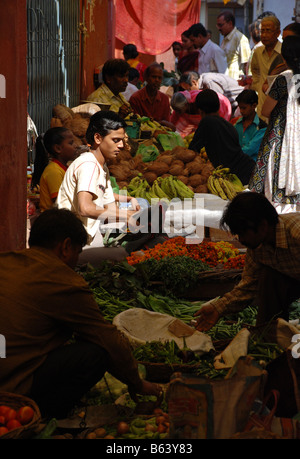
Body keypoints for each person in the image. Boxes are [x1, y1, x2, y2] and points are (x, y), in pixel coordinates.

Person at [0, 208, 162, 419]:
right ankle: (43, 416)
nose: (77, 261)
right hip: (10, 384)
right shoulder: (62, 280)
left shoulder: (7, 259)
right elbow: (108, 339)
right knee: (95, 355)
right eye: (78, 253)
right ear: (66, 247)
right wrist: (137, 382)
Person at [194, 192, 300, 331]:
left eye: (243, 233)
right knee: (269, 276)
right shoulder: (257, 249)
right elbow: (248, 287)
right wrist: (218, 308)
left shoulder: (296, 233)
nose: (241, 240)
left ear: (262, 226)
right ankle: (270, 336)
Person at [56, 110, 141, 265]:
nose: (121, 145)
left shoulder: (102, 167)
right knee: (122, 255)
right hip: (69, 248)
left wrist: (131, 211)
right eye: (116, 140)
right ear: (98, 138)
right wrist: (126, 216)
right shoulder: (88, 165)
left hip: (88, 236)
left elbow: (109, 208)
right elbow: (85, 208)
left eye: (121, 140)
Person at [249, 35, 300, 214]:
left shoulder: (283, 79)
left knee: (274, 172)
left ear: (284, 57)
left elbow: (265, 110)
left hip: (279, 135)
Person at [189, 89, 255, 185]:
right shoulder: (228, 125)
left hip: (238, 175)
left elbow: (192, 151)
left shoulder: (206, 122)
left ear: (200, 110)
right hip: (247, 168)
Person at [37, 127, 77, 212]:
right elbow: (60, 202)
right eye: (71, 143)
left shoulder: (63, 168)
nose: (75, 146)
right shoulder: (54, 171)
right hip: (53, 220)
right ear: (58, 148)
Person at [250, 16, 282, 121]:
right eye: (262, 31)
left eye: (268, 31)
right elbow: (255, 71)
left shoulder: (284, 51)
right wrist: (259, 86)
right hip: (262, 106)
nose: (264, 35)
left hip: (279, 106)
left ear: (278, 33)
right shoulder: (258, 52)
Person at [129, 62, 174, 130]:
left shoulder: (164, 98)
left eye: (159, 78)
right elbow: (135, 124)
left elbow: (167, 124)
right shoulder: (136, 98)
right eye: (154, 77)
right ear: (146, 78)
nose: (157, 80)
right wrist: (160, 123)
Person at [231, 90, 267, 162]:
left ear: (254, 106)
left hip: (252, 166)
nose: (241, 111)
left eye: (244, 108)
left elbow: (249, 150)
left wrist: (231, 152)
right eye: (240, 108)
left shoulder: (262, 127)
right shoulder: (237, 124)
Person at [217, 10, 251, 80]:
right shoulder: (224, 40)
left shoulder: (240, 38)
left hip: (235, 83)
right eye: (217, 25)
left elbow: (247, 64)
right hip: (224, 81)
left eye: (220, 25)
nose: (218, 28)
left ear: (230, 23)